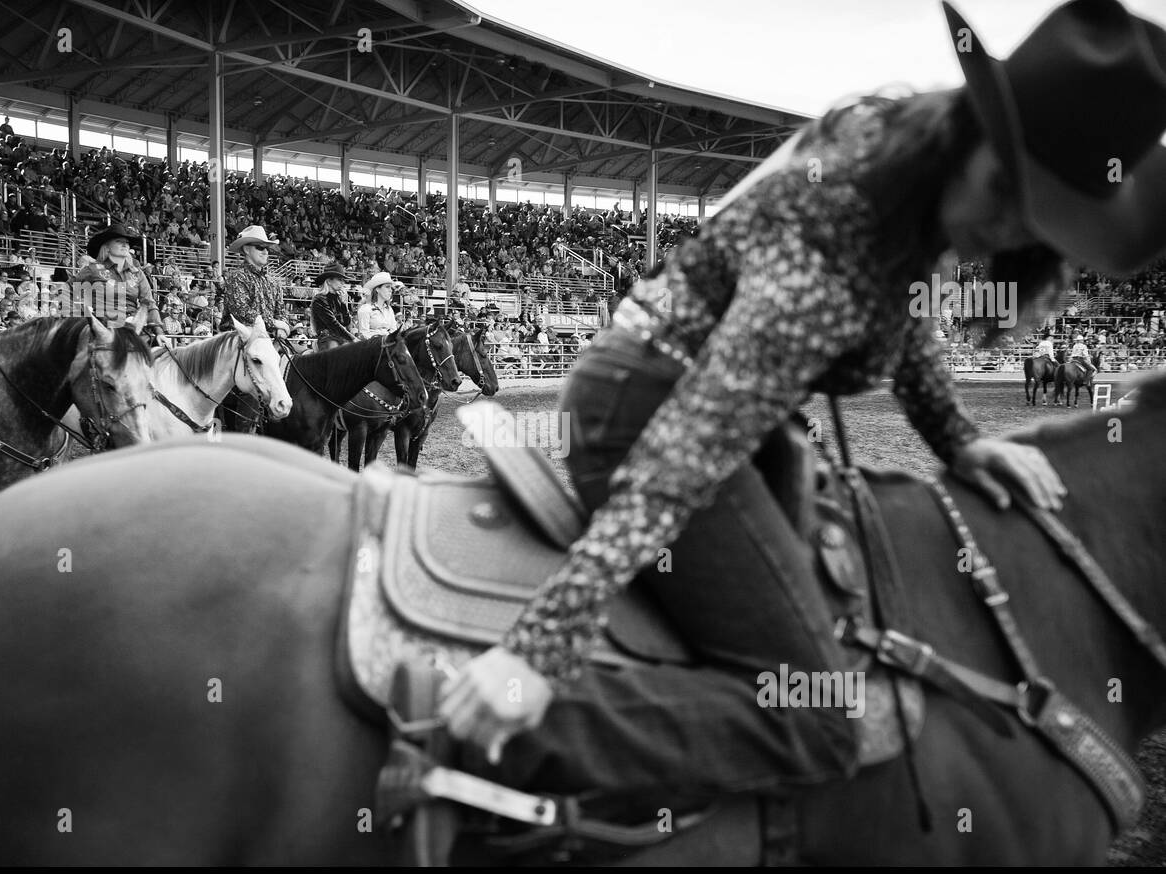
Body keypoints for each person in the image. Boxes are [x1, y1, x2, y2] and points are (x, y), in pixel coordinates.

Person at [397, 0, 1166, 810]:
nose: (1008, 230)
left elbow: (905, 319)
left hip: (694, 392)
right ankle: (488, 723)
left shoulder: (896, 174)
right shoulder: (829, 250)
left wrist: (958, 438)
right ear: (968, 133)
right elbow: (689, 448)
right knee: (819, 717)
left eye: (1038, 218)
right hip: (654, 407)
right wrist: (538, 650)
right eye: (1005, 188)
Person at [75, 223, 162, 342]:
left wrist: (159, 332)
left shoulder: (137, 273)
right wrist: (86, 315)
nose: (124, 245)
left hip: (134, 329)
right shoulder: (92, 270)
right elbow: (68, 292)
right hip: (102, 329)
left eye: (126, 242)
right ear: (107, 246)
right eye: (118, 241)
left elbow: (149, 303)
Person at [221, 225, 288, 333]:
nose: (266, 252)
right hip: (239, 340)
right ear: (246, 249)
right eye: (260, 247)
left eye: (267, 248)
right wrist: (275, 324)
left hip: (268, 338)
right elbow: (242, 312)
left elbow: (281, 311)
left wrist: (282, 328)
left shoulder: (272, 281)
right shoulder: (236, 277)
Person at [310, 264, 357, 350]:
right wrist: (353, 338)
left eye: (343, 280)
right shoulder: (319, 299)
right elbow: (333, 324)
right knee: (336, 350)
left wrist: (344, 305)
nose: (343, 283)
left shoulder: (339, 298)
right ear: (328, 281)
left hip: (340, 337)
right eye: (339, 280)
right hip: (327, 338)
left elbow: (347, 323)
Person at [355, 271, 402, 339]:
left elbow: (393, 330)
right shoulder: (365, 309)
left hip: (387, 345)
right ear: (377, 289)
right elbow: (363, 334)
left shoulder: (389, 309)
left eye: (391, 288)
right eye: (387, 287)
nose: (390, 290)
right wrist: (382, 338)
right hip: (372, 346)